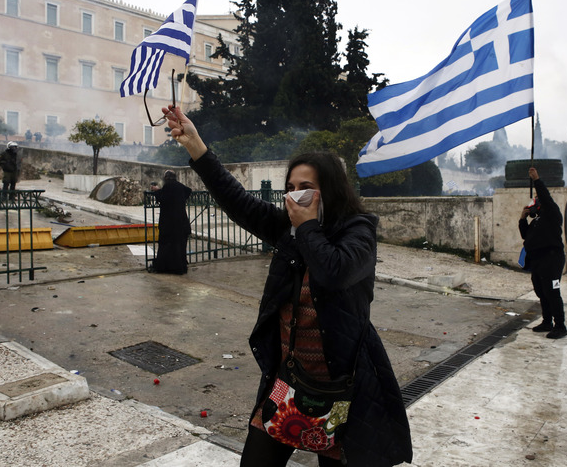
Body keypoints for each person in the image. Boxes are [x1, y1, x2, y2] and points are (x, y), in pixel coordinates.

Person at [161, 105, 413, 467]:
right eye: (291, 188)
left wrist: (309, 227)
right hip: (287, 382)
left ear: (330, 191)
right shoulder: (289, 229)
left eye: (306, 188)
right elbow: (238, 201)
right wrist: (196, 146)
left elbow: (334, 272)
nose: (295, 197)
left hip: (343, 391)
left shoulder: (358, 232)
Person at [519, 167, 567, 340]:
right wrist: (522, 218)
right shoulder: (537, 221)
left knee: (552, 292)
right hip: (538, 260)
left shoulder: (552, 213)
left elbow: (546, 198)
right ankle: (547, 321)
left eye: (538, 200)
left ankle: (560, 325)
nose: (536, 203)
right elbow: (525, 235)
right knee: (541, 291)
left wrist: (537, 180)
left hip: (552, 258)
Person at [148, 170, 192, 274]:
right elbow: (188, 191)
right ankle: (181, 268)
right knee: (180, 247)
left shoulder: (168, 187)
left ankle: (166, 268)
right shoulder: (180, 186)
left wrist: (157, 190)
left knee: (166, 246)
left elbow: (163, 198)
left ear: (166, 178)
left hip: (170, 223)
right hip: (181, 222)